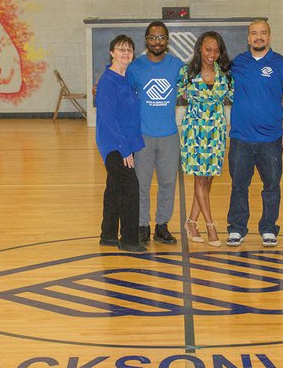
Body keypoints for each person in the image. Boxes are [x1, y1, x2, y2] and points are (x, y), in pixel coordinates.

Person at [225, 19, 283, 248]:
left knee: (272, 186)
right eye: (254, 33)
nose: (258, 37)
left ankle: (268, 228)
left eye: (263, 33)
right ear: (248, 38)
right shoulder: (237, 64)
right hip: (241, 138)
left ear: (269, 37)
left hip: (271, 139)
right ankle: (237, 228)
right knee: (238, 186)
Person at [126, 21, 184, 246]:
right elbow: (125, 94)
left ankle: (162, 226)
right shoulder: (135, 67)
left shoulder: (177, 65)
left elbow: (193, 85)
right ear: (146, 40)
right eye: (153, 37)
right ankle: (142, 226)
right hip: (143, 136)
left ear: (167, 40)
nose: (157, 42)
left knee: (168, 183)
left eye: (161, 38)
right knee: (141, 184)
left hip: (169, 135)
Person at [177, 31, 233, 247]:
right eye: (208, 49)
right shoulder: (187, 72)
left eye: (216, 50)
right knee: (200, 179)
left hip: (217, 131)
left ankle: (191, 222)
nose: (212, 54)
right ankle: (210, 225)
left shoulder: (226, 74)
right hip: (195, 132)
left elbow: (240, 94)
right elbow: (172, 92)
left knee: (207, 179)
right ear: (200, 48)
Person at [95, 35, 146, 253]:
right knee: (130, 188)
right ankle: (129, 240)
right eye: (121, 49)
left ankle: (107, 235)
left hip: (126, 143)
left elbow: (130, 115)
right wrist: (124, 148)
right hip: (114, 144)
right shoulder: (107, 81)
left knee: (115, 187)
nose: (125, 54)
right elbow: (109, 119)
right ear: (112, 53)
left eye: (129, 50)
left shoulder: (126, 78)